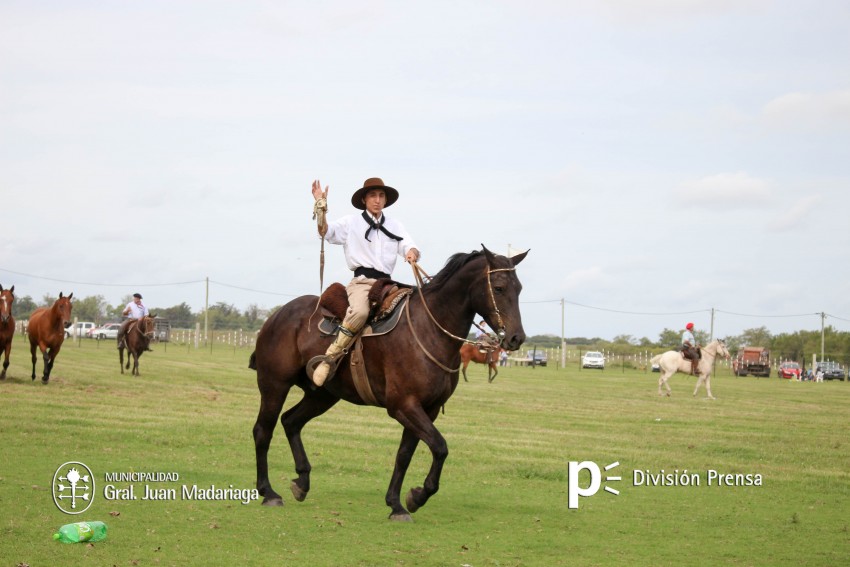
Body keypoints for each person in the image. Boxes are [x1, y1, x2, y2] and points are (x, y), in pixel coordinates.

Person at [310, 177, 420, 387]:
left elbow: (408, 245)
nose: (377, 200)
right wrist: (321, 208)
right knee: (360, 313)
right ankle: (329, 358)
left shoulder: (395, 225)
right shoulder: (351, 223)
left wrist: (411, 253)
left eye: (381, 196)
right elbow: (325, 232)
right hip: (362, 283)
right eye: (373, 196)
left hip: (388, 284)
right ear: (364, 200)